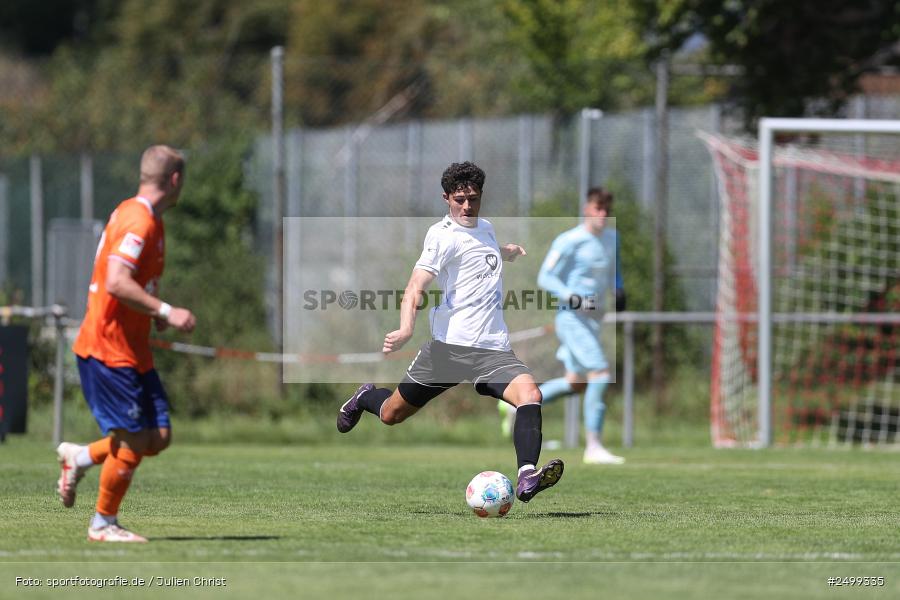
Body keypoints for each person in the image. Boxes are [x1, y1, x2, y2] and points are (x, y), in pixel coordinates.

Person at [337, 161, 564, 503]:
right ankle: (365, 396)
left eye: (473, 198)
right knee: (391, 414)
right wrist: (406, 328)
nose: (467, 206)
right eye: (460, 199)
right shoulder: (441, 236)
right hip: (448, 352)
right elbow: (415, 286)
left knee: (530, 395)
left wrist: (506, 252)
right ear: (446, 198)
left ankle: (527, 475)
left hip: (493, 350)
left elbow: (481, 252)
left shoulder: (486, 228)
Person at [56, 145, 196, 542]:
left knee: (157, 436)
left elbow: (134, 283)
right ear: (175, 180)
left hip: (134, 350)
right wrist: (167, 310)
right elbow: (117, 281)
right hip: (108, 350)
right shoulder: (139, 221)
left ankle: (80, 457)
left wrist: (152, 312)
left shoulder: (145, 217)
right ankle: (103, 523)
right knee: (134, 439)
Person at [499, 187, 626, 465]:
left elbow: (615, 270)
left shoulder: (612, 238)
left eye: (607, 209)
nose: (603, 214)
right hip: (571, 318)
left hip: (594, 320)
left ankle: (517, 404)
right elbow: (545, 277)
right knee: (600, 374)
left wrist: (619, 288)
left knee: (575, 383)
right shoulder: (569, 240)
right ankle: (593, 447)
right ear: (587, 209)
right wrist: (574, 297)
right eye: (598, 208)